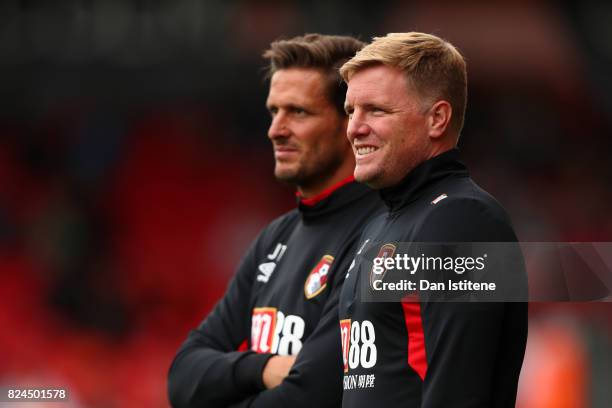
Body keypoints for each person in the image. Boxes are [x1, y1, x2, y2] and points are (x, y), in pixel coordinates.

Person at [167, 34, 383, 408]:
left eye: (298, 112)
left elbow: (315, 394)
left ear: (351, 121)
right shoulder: (275, 238)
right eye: (273, 111)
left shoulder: (384, 235)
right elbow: (183, 376)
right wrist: (263, 368)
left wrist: (230, 384)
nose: (275, 130)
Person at [338, 32, 528, 407]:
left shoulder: (463, 221)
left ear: (437, 118)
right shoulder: (381, 225)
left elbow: (459, 394)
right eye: (350, 111)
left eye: (375, 110)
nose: (354, 128)